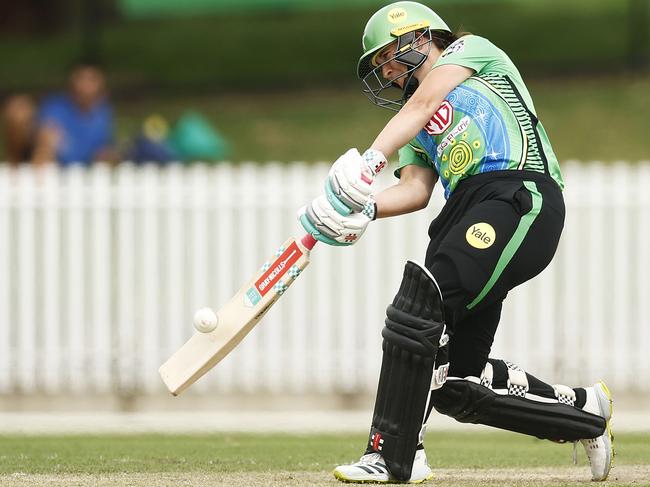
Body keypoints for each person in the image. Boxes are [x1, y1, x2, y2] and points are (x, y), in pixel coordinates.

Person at [298, 2, 613, 484]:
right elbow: (417, 190)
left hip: (517, 192)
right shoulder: (414, 120)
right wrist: (362, 210)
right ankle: (585, 411)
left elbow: (425, 104)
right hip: (462, 211)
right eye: (377, 65)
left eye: (386, 55)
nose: (384, 70)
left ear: (421, 37)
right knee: (458, 385)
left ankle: (394, 454)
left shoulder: (471, 51)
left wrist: (367, 163)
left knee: (422, 306)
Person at [32, 62, 117, 166]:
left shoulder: (103, 112)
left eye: (92, 79)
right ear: (72, 81)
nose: (86, 85)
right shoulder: (55, 107)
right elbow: (47, 140)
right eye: (81, 78)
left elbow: (104, 149)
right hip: (56, 168)